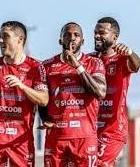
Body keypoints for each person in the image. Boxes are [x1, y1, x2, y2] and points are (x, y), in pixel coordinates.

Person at [0, 21, 49, 167]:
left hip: (20, 143)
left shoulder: (35, 67)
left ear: (20, 39)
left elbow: (44, 99)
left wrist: (22, 86)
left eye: (5, 36)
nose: (0, 40)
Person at [40, 22, 107, 167]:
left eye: (76, 35)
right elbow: (41, 98)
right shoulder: (46, 66)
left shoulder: (94, 63)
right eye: (67, 35)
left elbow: (100, 92)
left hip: (84, 137)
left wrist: (77, 65)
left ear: (82, 41)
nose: (72, 38)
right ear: (60, 40)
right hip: (56, 137)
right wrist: (44, 118)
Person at [91, 17, 140, 167]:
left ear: (115, 37)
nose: (96, 36)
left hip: (113, 129)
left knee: (97, 163)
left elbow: (136, 64)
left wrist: (130, 53)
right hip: (90, 127)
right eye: (95, 32)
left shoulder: (122, 59)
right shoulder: (89, 59)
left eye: (102, 32)